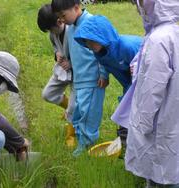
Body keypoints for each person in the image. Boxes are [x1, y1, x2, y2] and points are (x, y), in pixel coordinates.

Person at [116, 0, 179, 187]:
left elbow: (152, 89)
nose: (138, 8)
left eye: (142, 3)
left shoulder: (158, 39)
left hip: (158, 120)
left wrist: (140, 126)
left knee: (160, 170)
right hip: (172, 112)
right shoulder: (174, 32)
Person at [74, 15, 142, 147]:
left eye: (91, 41)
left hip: (143, 77)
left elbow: (143, 63)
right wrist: (104, 75)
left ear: (102, 36)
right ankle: (125, 141)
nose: (88, 45)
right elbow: (104, 63)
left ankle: (132, 140)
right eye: (86, 42)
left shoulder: (127, 46)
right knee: (126, 105)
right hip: (128, 80)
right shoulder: (99, 52)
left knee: (132, 106)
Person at [51, 0, 109, 156]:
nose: (61, 20)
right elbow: (69, 52)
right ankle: (81, 139)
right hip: (79, 79)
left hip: (93, 79)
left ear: (76, 8)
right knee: (78, 111)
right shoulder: (70, 28)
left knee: (89, 113)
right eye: (59, 17)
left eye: (63, 15)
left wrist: (103, 73)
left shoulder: (90, 22)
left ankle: (87, 145)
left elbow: (103, 49)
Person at [37, 4, 76, 147]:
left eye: (51, 29)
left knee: (74, 106)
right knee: (47, 94)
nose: (51, 32)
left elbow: (84, 53)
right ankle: (68, 108)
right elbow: (55, 46)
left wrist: (71, 63)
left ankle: (71, 135)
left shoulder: (72, 31)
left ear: (60, 21)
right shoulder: (53, 34)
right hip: (62, 71)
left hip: (77, 72)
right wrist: (57, 54)